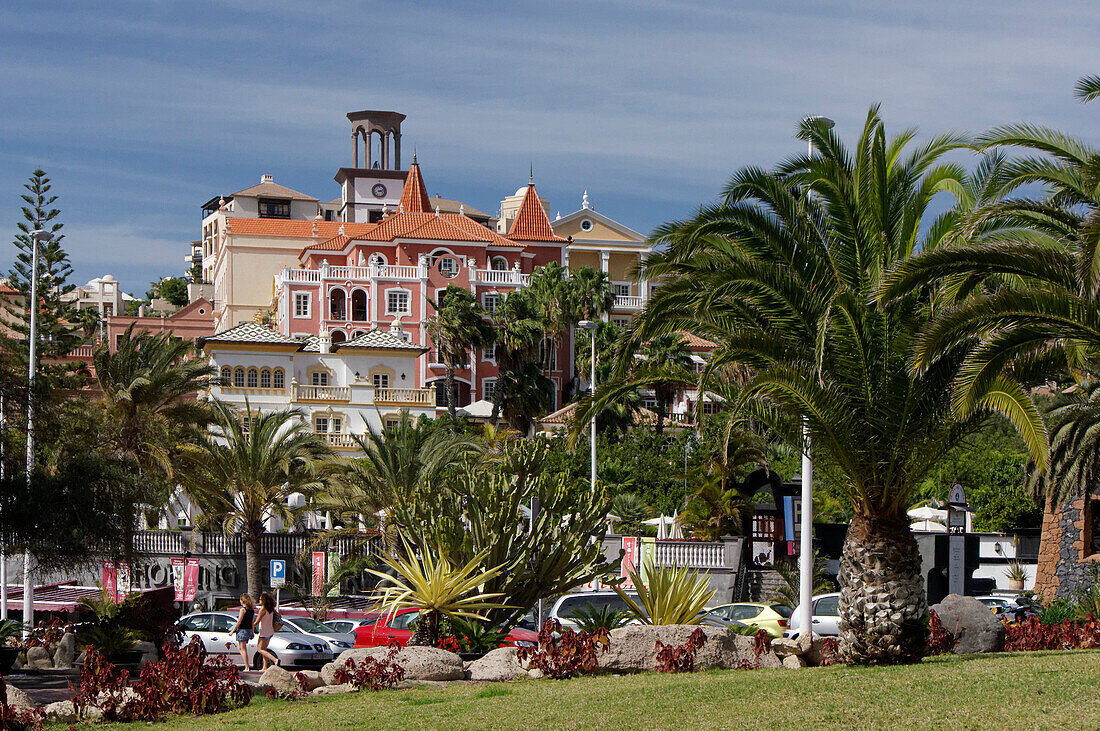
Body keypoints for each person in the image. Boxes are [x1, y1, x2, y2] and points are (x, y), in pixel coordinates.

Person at [228, 594, 255, 669]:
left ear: (242, 601)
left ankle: (247, 666)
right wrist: (252, 633)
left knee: (242, 649)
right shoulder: (251, 610)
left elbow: (239, 621)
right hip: (248, 630)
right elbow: (252, 622)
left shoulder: (243, 610)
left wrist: (232, 631)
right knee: (240, 648)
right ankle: (246, 665)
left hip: (242, 630)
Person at [254, 592, 280, 670]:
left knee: (260, 649)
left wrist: (250, 625)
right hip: (270, 631)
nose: (259, 600)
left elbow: (257, 622)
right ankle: (264, 667)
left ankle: (275, 660)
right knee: (264, 649)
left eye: (260, 599)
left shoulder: (262, 610)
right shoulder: (270, 609)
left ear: (263, 600)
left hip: (264, 631)